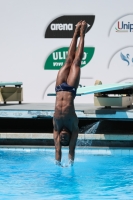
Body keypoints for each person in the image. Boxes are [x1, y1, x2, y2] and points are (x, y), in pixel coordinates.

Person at [53, 20, 87, 166]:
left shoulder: (56, 127)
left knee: (67, 61)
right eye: (66, 140)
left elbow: (57, 151)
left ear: (59, 137)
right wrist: (70, 164)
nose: (64, 139)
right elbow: (71, 150)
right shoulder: (74, 128)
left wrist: (57, 163)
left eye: (62, 139)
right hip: (71, 88)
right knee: (76, 62)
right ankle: (82, 33)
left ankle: (75, 32)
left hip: (59, 87)